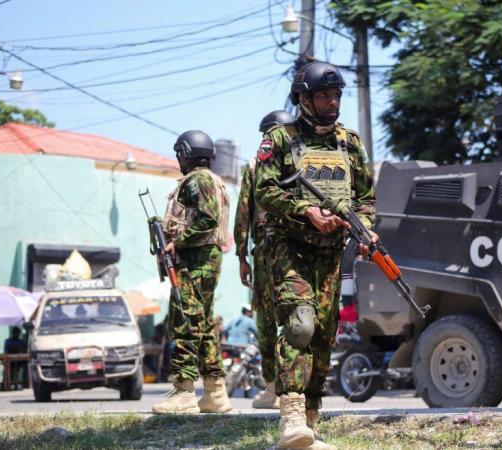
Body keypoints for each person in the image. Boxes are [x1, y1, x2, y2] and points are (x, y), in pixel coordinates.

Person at [255, 61, 376, 450]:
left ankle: (308, 423)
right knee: (301, 325)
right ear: (304, 99)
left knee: (324, 338)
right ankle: (290, 416)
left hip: (331, 255)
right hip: (289, 248)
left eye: (337, 94)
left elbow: (366, 198)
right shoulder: (280, 139)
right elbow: (265, 192)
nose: (332, 101)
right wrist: (305, 210)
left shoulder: (350, 143)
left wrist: (365, 227)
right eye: (324, 95)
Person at [151, 130, 232, 415]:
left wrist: (177, 242)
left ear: (186, 153)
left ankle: (184, 391)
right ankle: (214, 392)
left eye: (179, 154)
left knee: (184, 321)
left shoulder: (197, 180)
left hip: (196, 260)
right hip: (205, 259)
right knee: (204, 324)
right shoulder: (213, 181)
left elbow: (208, 219)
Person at [234, 109, 296, 410]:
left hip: (269, 251)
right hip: (297, 252)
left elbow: (243, 212)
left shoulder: (256, 164)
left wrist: (241, 255)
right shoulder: (305, 162)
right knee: (295, 316)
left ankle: (274, 389)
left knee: (270, 321)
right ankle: (293, 389)